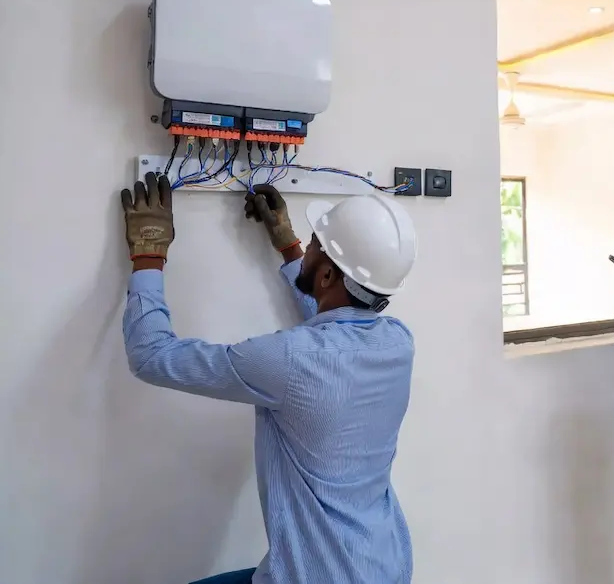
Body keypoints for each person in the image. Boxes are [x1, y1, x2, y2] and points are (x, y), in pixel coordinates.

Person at [119, 174, 418, 584]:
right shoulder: (398, 343)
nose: (308, 245)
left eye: (315, 244)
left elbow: (152, 356)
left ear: (327, 277)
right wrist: (289, 246)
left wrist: (148, 256)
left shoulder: (288, 360)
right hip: (384, 568)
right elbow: (334, 326)